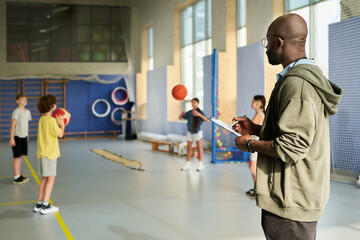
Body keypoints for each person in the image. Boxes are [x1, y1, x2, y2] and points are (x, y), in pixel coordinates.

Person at [232, 14, 342, 239]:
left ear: (279, 41)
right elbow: (294, 134)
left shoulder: (297, 85)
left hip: (292, 200)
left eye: (267, 41)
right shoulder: (300, 79)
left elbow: (292, 147)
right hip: (292, 196)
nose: (267, 47)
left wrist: (250, 144)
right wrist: (255, 129)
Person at [33, 95, 65, 215]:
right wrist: (62, 125)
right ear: (52, 106)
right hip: (50, 154)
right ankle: (46, 205)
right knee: (51, 178)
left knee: (44, 178)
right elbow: (60, 134)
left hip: (42, 153)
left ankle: (39, 203)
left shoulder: (42, 119)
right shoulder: (51, 120)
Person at [179, 98, 209, 171]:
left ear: (197, 103)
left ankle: (200, 164)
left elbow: (207, 120)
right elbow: (180, 118)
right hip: (189, 131)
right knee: (189, 148)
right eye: (192, 103)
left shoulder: (200, 112)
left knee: (199, 148)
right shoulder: (189, 112)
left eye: (194, 102)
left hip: (197, 132)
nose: (193, 104)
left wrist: (199, 114)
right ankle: (188, 164)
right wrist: (181, 113)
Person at [246, 95, 265, 199]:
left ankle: (258, 190)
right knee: (253, 167)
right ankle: (256, 188)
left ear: (258, 104)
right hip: (256, 144)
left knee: (252, 167)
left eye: (253, 101)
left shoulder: (259, 115)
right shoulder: (260, 114)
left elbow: (248, 128)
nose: (251, 103)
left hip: (257, 144)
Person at [9, 94, 32, 184]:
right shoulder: (16, 111)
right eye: (22, 99)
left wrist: (27, 135)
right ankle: (16, 177)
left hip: (24, 137)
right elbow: (12, 125)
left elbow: (26, 124)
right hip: (17, 137)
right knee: (17, 157)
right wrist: (11, 138)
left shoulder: (28, 112)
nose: (25, 101)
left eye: (26, 99)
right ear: (17, 101)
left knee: (21, 156)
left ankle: (19, 175)